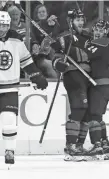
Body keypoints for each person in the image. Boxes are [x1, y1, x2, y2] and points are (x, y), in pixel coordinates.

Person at [0, 11, 48, 164]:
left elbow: (26, 61)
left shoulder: (16, 38)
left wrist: (36, 75)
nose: (1, 28)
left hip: (9, 87)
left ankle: (9, 152)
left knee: (9, 119)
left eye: (4, 25)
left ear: (8, 25)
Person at [52, 9, 91, 161]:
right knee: (79, 108)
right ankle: (70, 146)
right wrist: (58, 64)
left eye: (82, 19)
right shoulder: (64, 38)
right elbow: (56, 58)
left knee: (88, 112)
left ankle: (79, 145)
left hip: (89, 76)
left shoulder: (88, 36)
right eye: (77, 20)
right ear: (70, 22)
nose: (81, 22)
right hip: (74, 75)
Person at [84, 20, 109, 158]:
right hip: (105, 85)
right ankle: (105, 143)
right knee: (98, 116)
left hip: (99, 84)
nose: (98, 32)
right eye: (96, 29)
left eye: (101, 30)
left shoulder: (100, 43)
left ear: (106, 31)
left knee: (93, 115)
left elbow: (86, 55)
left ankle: (97, 145)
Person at [31, 4, 60, 78]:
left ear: (47, 13)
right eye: (39, 12)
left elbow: (57, 38)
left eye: (43, 11)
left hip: (54, 54)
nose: (41, 13)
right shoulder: (33, 26)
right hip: (40, 57)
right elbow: (33, 39)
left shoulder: (52, 23)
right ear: (36, 14)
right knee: (49, 64)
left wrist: (54, 26)